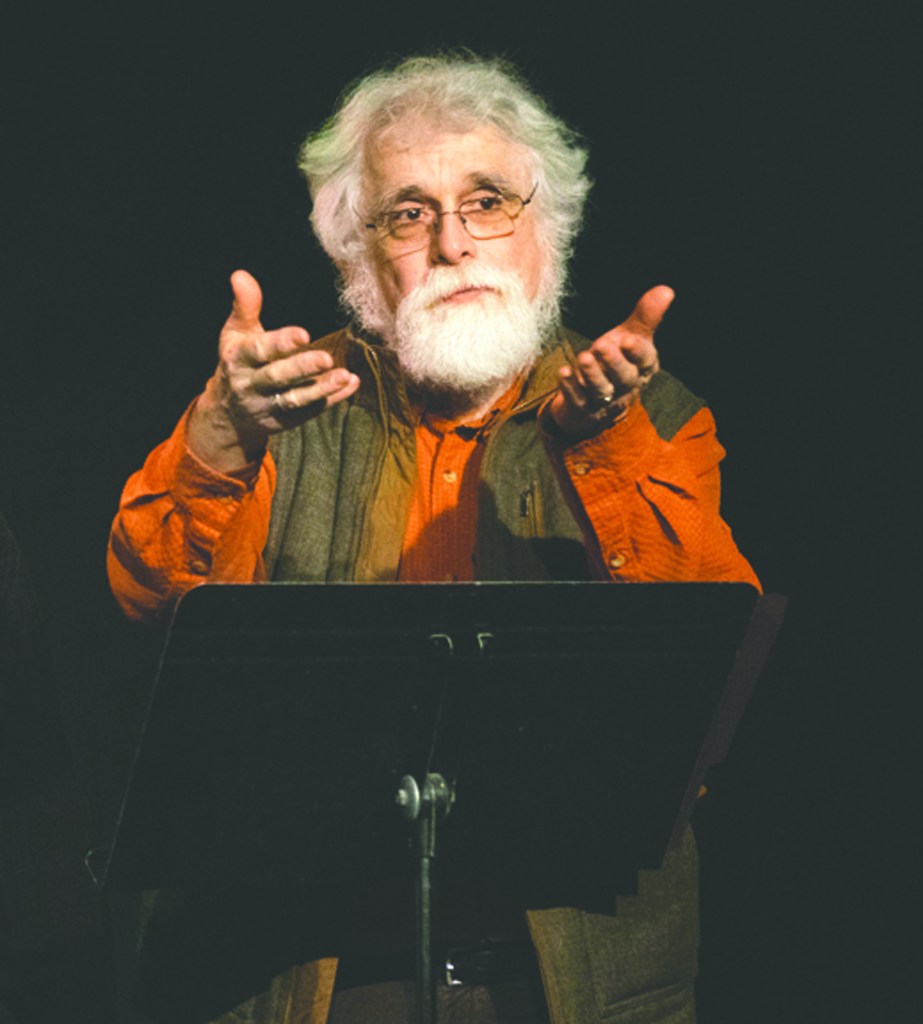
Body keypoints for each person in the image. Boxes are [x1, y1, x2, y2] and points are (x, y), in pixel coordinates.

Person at [108, 52, 760, 1024]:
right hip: (315, 982)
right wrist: (219, 439)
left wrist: (606, 445)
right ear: (355, 258)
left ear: (548, 230)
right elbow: (154, 611)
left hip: (569, 987)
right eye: (408, 213)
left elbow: (703, 690)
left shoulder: (653, 415)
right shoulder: (278, 408)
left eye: (487, 201)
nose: (452, 243)